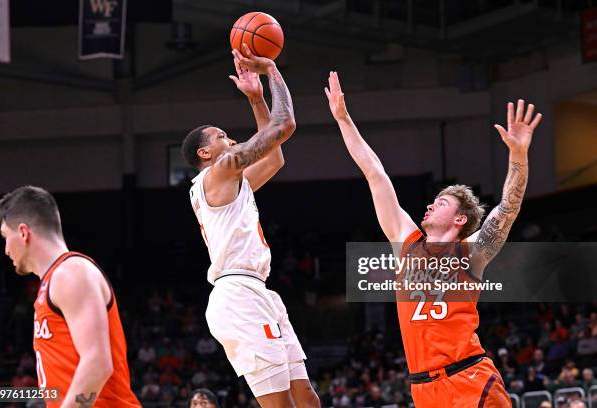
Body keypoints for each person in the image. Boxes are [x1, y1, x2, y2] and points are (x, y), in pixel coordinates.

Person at [325, 71, 542, 407]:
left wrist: (519, 156)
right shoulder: (406, 242)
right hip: (423, 389)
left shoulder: (471, 252)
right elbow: (374, 173)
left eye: (440, 202)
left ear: (460, 219)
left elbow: (509, 208)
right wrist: (343, 119)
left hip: (468, 379)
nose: (429, 204)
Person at [181, 44, 320, 407]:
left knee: (307, 401)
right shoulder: (220, 172)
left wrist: (257, 100)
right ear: (205, 153)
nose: (231, 140)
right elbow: (285, 125)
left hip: (258, 291)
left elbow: (275, 157)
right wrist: (271, 70)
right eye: (222, 137)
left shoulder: (229, 184)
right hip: (238, 296)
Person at [0, 186, 140, 407]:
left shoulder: (71, 273)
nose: (5, 249)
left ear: (23, 232)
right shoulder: (53, 282)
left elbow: (97, 364)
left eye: (5, 237)